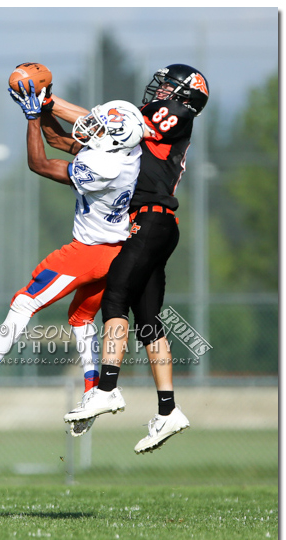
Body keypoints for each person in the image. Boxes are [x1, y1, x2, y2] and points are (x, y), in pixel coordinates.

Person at [0, 78, 145, 429]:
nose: (89, 127)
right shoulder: (126, 154)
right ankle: (94, 392)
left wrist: (33, 117)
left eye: (100, 127)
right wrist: (43, 105)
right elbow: (57, 139)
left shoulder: (103, 167)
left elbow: (40, 162)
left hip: (88, 252)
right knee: (80, 320)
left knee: (23, 303)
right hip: (115, 252)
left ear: (114, 139)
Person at [45, 64, 210, 453]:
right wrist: (42, 113)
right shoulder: (140, 133)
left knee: (115, 298)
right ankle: (168, 411)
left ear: (182, 96)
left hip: (148, 221)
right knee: (148, 319)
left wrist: (49, 101)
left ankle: (106, 388)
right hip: (157, 224)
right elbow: (78, 136)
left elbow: (100, 120)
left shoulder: (178, 115)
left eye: (166, 86)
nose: (157, 90)